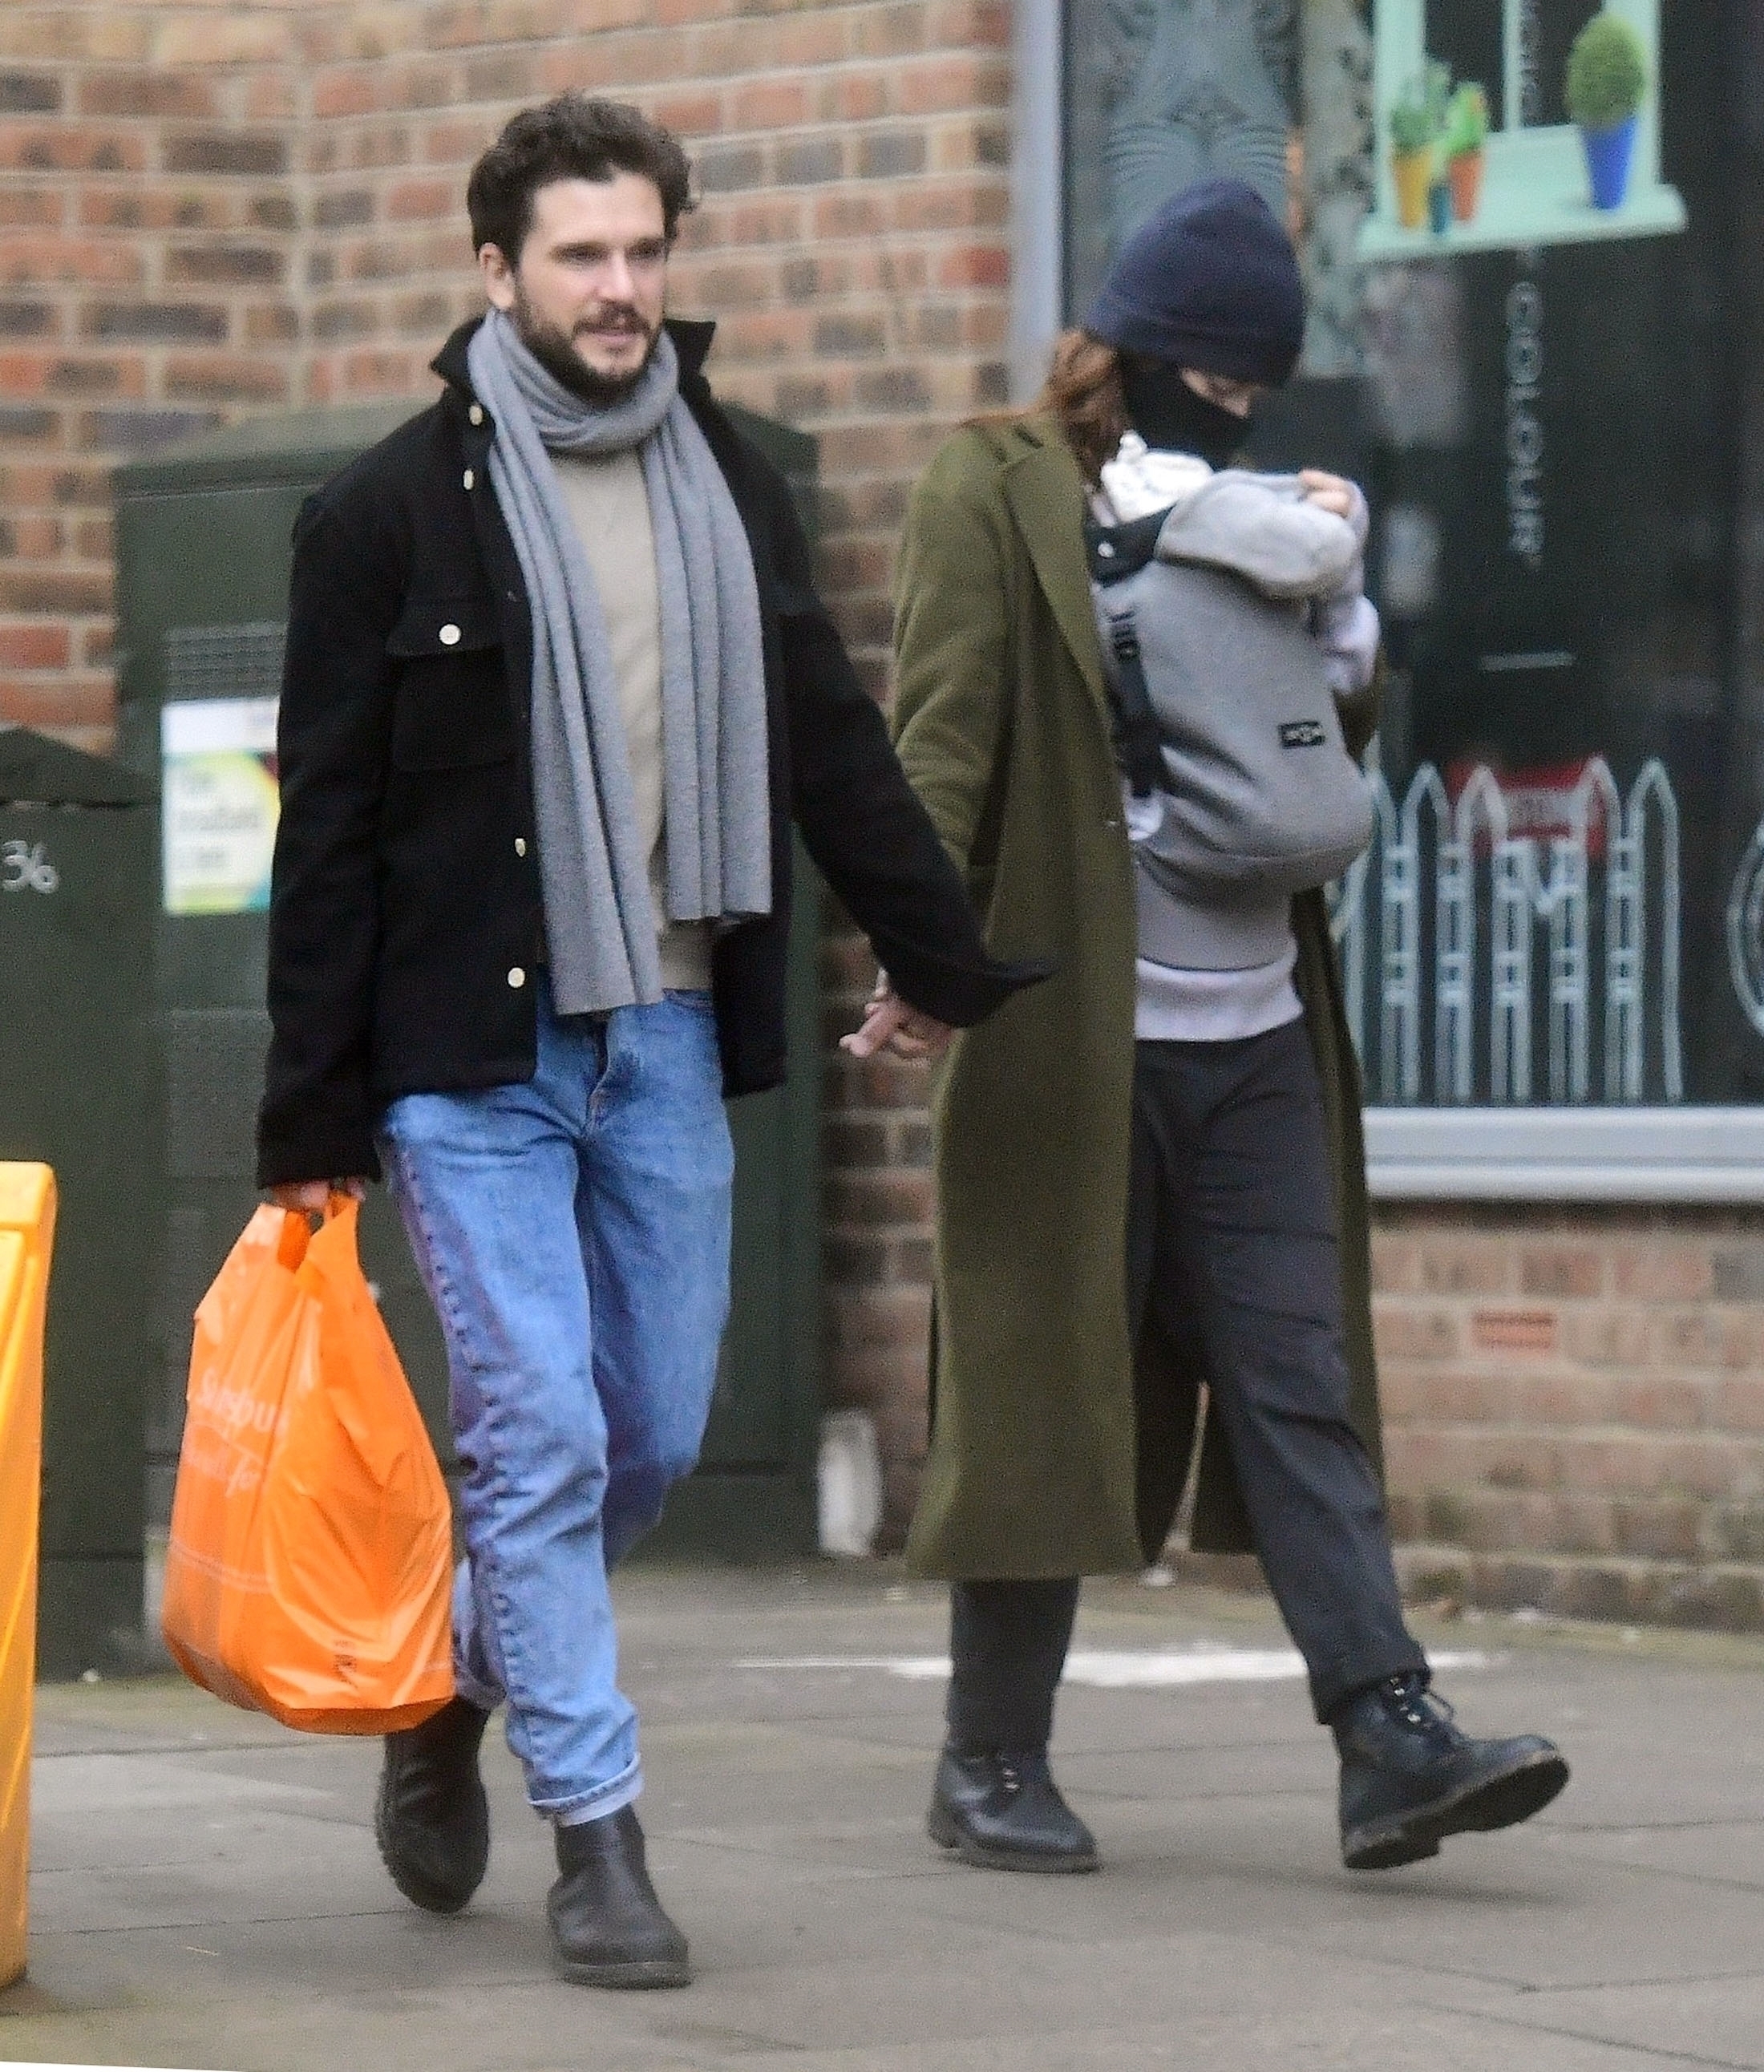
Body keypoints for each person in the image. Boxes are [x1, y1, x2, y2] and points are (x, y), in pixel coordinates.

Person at [257, 95, 1036, 1990]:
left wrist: (935, 956)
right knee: (530, 1431)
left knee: (648, 1434)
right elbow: (329, 837)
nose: (620, 288)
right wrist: (310, 1118)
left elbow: (830, 740)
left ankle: (450, 1682)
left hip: (671, 1031)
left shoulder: (721, 484)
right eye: (581, 255)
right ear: (499, 271)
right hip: (471, 1062)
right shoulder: (383, 514)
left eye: (642, 252)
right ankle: (599, 1837)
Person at [878, 178, 1570, 1879]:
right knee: (1046, 1383)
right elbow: (942, 734)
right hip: (1069, 1033)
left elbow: (1304, 745)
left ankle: (1384, 1736)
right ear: (1129, 346)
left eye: (1262, 384)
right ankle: (987, 1761)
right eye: (1213, 373)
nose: (1236, 405)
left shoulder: (1261, 510)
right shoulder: (1002, 486)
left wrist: (1345, 639)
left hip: (1258, 1026)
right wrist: (916, 947)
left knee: (1298, 1375)